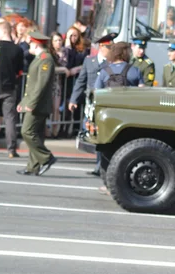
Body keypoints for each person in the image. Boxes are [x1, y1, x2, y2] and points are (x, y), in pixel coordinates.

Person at [68, 32, 116, 177]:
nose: (112, 49)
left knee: (103, 134)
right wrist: (73, 99)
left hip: (106, 103)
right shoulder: (89, 61)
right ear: (102, 47)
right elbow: (81, 81)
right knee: (91, 132)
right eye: (109, 47)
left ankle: (100, 166)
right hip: (91, 103)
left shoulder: (112, 63)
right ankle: (99, 164)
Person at [15, 31, 57, 176]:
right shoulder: (40, 58)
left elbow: (41, 84)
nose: (29, 46)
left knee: (27, 131)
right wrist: (24, 101)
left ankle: (46, 157)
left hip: (39, 104)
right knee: (36, 134)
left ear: (36, 44)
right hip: (35, 102)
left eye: (31, 43)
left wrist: (31, 103)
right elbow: (32, 85)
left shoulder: (46, 59)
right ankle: (33, 166)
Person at [0, 20, 23, 157]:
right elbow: (19, 71)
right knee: (10, 119)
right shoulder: (18, 49)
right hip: (9, 87)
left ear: (3, 31)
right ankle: (11, 149)